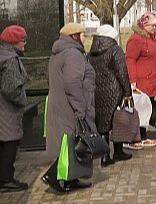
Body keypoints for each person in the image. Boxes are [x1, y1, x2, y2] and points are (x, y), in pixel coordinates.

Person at [43, 22, 96, 193]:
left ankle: (71, 179)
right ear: (74, 36)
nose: (84, 38)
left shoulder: (59, 53)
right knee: (71, 142)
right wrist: (80, 108)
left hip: (60, 103)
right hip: (70, 106)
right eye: (82, 34)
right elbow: (73, 83)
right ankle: (53, 176)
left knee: (68, 142)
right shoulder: (73, 54)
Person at [0, 25, 29, 192]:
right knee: (11, 143)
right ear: (14, 42)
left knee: (1, 143)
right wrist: (22, 100)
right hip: (8, 109)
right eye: (23, 40)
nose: (25, 44)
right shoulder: (10, 60)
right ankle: (6, 179)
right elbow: (10, 87)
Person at [88, 24, 133, 166]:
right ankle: (118, 152)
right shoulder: (115, 50)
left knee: (103, 123)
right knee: (118, 120)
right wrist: (127, 91)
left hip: (97, 91)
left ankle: (104, 156)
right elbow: (122, 72)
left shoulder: (91, 52)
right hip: (114, 91)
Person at [126, 11, 156, 148]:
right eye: (152, 25)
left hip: (152, 81)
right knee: (139, 110)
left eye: (155, 25)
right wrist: (132, 80)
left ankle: (143, 136)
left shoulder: (152, 38)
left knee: (146, 109)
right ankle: (136, 138)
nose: (154, 28)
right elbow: (130, 59)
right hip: (142, 82)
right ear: (144, 25)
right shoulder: (136, 40)